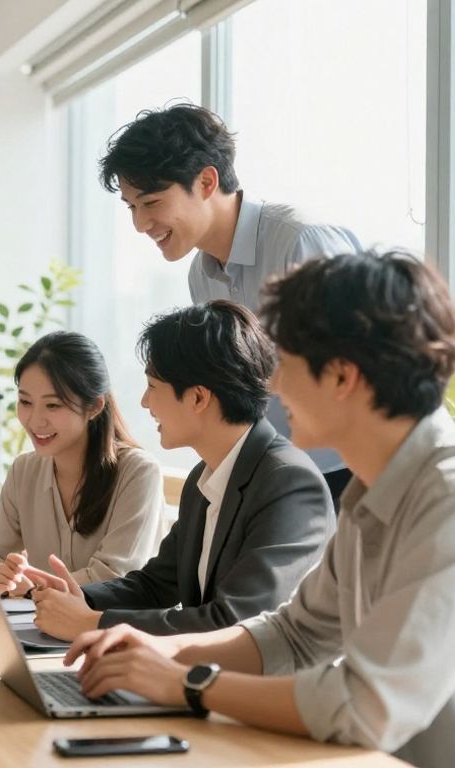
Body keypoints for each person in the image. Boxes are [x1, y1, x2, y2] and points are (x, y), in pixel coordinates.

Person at [60, 251, 455, 768]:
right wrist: (166, 653)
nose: (274, 386)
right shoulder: (372, 490)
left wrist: (188, 682)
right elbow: (296, 634)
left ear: (342, 377)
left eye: (288, 365)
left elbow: (365, 706)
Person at [100, 102, 362, 505]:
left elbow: (361, 373)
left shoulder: (300, 243)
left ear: (206, 182)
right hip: (277, 478)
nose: (140, 224)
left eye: (151, 203)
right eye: (132, 207)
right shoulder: (201, 276)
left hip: (348, 472)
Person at [26, 301, 333, 639]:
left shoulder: (289, 482)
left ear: (198, 398)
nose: (144, 402)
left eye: (153, 387)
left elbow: (235, 620)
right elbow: (156, 585)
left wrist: (91, 623)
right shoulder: (205, 477)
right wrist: (77, 598)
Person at [0, 331, 163, 596]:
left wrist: (33, 586)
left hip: (115, 629)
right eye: (25, 402)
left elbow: (112, 577)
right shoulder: (24, 470)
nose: (35, 421)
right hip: (44, 628)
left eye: (52, 406)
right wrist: (2, 573)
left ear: (94, 407)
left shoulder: (138, 472)